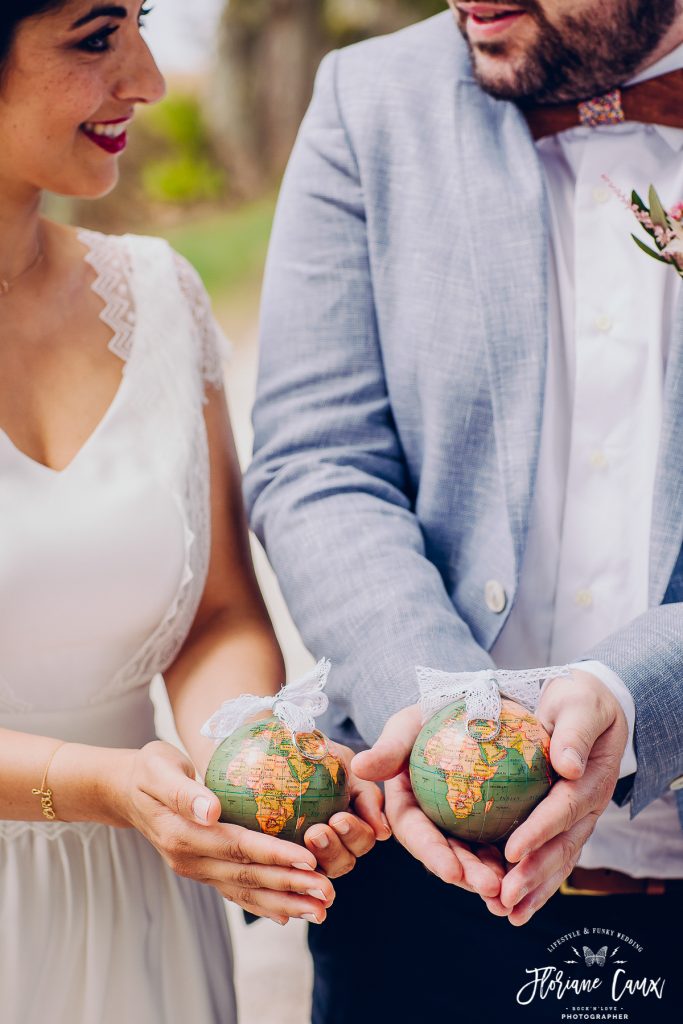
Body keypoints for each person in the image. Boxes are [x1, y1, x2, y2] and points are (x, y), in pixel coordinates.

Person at [245, 1, 683, 1020]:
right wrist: (449, 726)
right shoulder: (366, 104)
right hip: (414, 903)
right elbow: (318, 459)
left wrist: (633, 691)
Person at [0, 3, 387, 1021]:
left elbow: (218, 612)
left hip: (142, 913)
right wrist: (102, 785)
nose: (148, 79)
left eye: (141, 24)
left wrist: (249, 778)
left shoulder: (158, 297)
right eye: (95, 39)